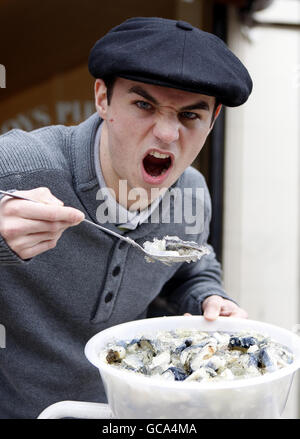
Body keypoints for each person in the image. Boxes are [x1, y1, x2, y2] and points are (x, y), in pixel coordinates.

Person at [0, 17, 251, 418]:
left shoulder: (192, 192)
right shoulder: (17, 166)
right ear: (102, 98)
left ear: (213, 120)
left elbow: (192, 266)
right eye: (143, 105)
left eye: (190, 116)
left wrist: (209, 296)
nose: (167, 134)